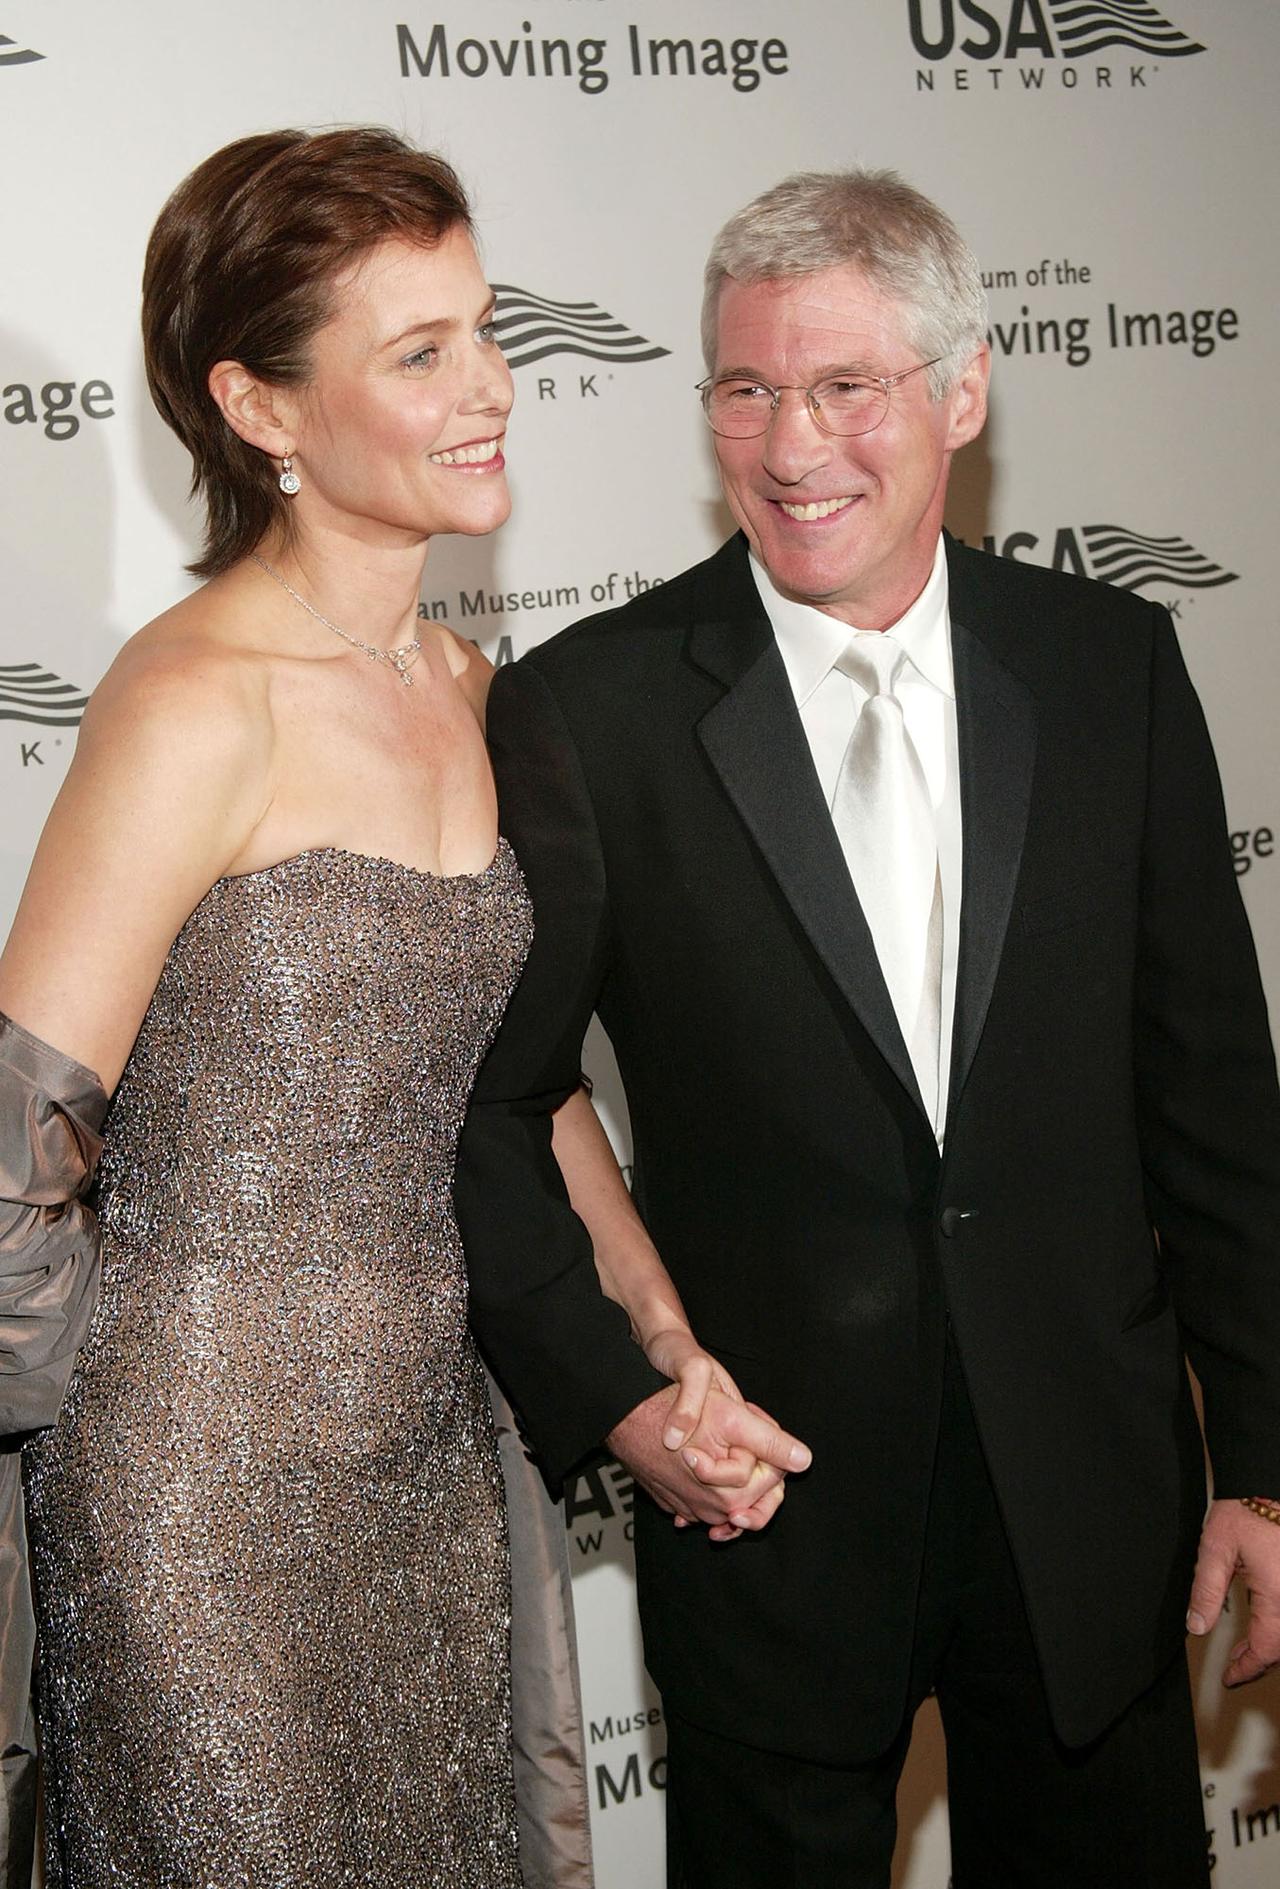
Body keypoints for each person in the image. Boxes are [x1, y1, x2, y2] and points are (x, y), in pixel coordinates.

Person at [456, 168, 1280, 1888]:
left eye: (846, 387)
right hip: (770, 1513)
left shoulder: (1109, 664)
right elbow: (491, 1104)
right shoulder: (591, 711)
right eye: (745, 390)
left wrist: (1265, 1465)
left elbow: (1211, 1097)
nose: (792, 442)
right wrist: (621, 1401)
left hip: (1091, 1495)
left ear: (961, 392)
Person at [0, 126, 799, 1886]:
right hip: (191, 1493)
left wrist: (666, 1344)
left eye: (487, 331)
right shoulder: (194, 700)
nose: (492, 388)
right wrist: (59, 1484)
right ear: (261, 407)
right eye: (419, 352)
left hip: (433, 1472)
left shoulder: (481, 692)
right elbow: (15, 1147)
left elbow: (527, 1088)